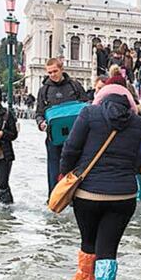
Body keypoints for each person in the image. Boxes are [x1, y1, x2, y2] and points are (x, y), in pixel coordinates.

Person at [60, 87, 141, 280]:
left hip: (88, 194)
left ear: (100, 99)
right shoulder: (139, 123)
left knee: (88, 242)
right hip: (123, 196)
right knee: (109, 248)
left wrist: (65, 174)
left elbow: (70, 148)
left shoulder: (88, 114)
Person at [35, 58, 88, 197]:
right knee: (54, 169)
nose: (52, 75)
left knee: (76, 167)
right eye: (49, 72)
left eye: (55, 71)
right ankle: (54, 198)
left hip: (76, 136)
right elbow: (39, 113)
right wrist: (41, 124)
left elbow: (86, 106)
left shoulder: (75, 86)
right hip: (54, 137)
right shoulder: (44, 90)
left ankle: (77, 197)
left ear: (61, 69)